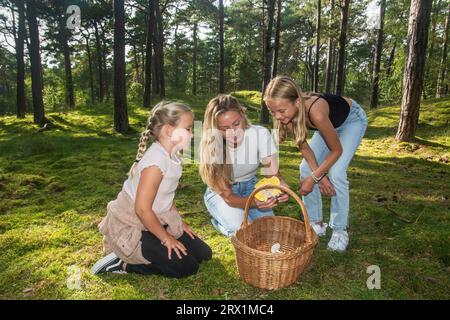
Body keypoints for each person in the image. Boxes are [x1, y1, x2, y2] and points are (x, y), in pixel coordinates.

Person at [91, 101, 212, 278]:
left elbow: (166, 197)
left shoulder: (173, 156)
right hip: (132, 225)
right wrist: (166, 238)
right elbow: (141, 209)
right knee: (187, 267)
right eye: (187, 129)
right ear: (170, 131)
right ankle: (122, 263)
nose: (192, 134)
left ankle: (156, 243)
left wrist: (178, 223)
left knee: (203, 254)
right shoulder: (155, 163)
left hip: (154, 219)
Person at [264, 75, 368, 252]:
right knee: (305, 168)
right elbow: (304, 147)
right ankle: (316, 223)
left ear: (297, 101)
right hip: (329, 125)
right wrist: (317, 175)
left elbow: (337, 151)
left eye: (281, 111)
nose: (277, 116)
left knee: (336, 173)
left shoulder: (316, 112)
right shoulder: (288, 117)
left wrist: (316, 177)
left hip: (352, 121)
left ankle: (340, 230)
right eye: (273, 112)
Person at [199, 94, 289, 237]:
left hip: (251, 187)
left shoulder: (259, 133)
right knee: (246, 233)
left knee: (271, 231)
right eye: (224, 128)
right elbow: (228, 196)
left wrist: (281, 187)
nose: (233, 132)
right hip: (222, 195)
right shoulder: (212, 146)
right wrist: (254, 203)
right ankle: (224, 225)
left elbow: (273, 173)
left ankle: (232, 222)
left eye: (236, 124)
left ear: (242, 115)